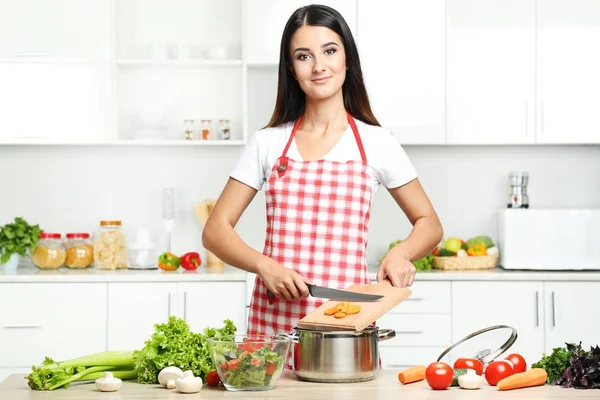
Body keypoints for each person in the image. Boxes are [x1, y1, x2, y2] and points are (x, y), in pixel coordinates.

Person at [202, 4, 443, 351]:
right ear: (291, 68)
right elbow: (215, 230)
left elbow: (429, 222)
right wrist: (264, 266)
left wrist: (402, 253)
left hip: (346, 321)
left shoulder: (377, 143)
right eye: (304, 56)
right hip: (275, 328)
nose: (319, 66)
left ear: (347, 58)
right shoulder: (268, 142)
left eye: (329, 51)